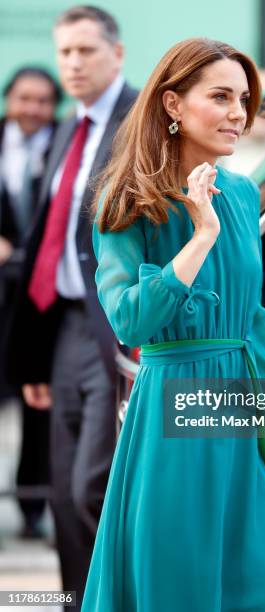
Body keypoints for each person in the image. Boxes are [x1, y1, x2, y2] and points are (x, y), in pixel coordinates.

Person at [81, 37, 265, 611]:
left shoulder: (241, 191)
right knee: (179, 585)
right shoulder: (127, 200)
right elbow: (131, 322)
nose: (239, 112)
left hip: (239, 407)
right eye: (221, 96)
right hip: (173, 414)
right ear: (173, 105)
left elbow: (253, 324)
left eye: (243, 98)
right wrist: (200, 235)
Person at [5, 6, 137, 610]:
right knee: (62, 492)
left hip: (117, 326)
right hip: (61, 329)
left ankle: (111, 599)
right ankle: (78, 600)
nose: (74, 63)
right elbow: (45, 240)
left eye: (86, 51)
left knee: (93, 486)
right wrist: (32, 355)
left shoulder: (139, 121)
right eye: (66, 53)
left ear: (118, 53)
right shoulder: (67, 126)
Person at [0, 66, 61, 537]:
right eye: (25, 99)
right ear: (9, 100)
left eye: (43, 100)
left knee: (39, 405)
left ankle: (33, 508)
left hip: (42, 296)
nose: (33, 109)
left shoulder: (63, 143)